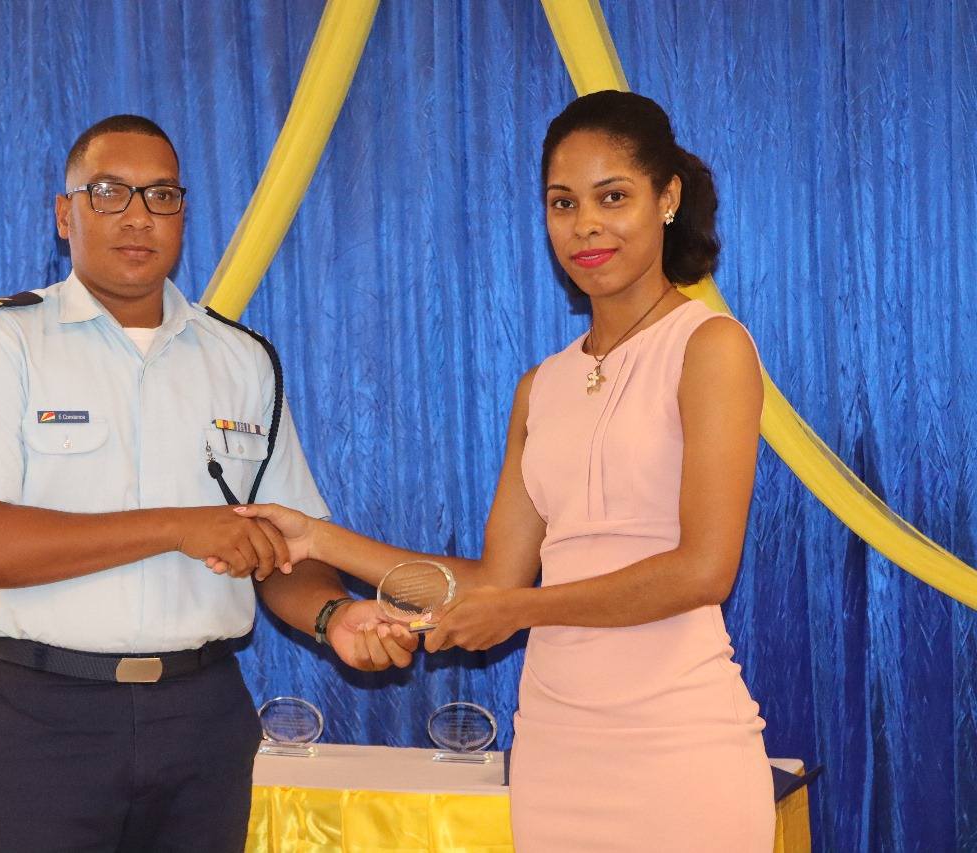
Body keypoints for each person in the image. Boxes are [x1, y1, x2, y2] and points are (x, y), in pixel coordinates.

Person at [234, 91, 774, 850]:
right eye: (563, 203)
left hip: (682, 745)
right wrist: (317, 539)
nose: (585, 225)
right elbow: (491, 582)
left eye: (612, 197)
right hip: (555, 752)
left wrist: (520, 609)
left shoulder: (710, 345)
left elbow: (703, 569)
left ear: (668, 199)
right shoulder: (541, 386)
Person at [0, 114, 415, 853]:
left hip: (201, 719)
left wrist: (333, 614)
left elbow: (284, 547)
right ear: (65, 214)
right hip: (36, 718)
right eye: (109, 192)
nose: (138, 215)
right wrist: (178, 526)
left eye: (162, 195)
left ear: (183, 214)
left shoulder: (241, 359)